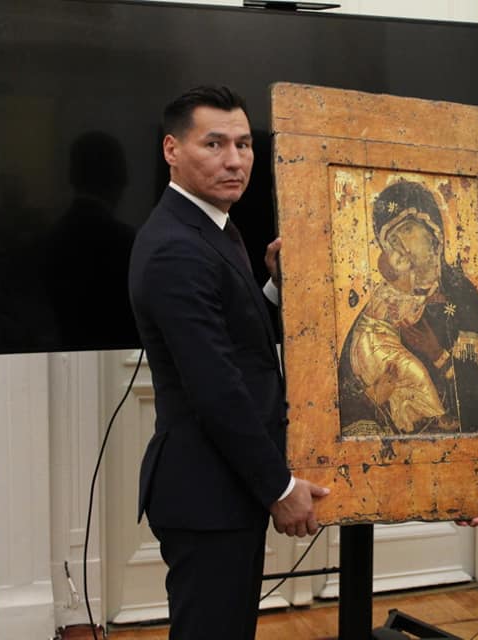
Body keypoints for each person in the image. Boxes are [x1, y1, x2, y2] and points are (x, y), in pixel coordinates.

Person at [128, 85, 330, 640]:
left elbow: (240, 341)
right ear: (172, 149)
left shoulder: (212, 225)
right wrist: (279, 488)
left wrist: (274, 287)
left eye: (244, 144)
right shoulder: (176, 245)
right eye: (214, 144)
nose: (235, 160)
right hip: (206, 491)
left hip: (223, 489)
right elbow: (216, 388)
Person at [337, 179, 478, 437]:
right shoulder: (381, 305)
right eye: (391, 239)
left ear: (433, 232)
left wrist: (437, 354)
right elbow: (347, 401)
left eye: (407, 229)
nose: (400, 244)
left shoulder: (462, 296)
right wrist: (376, 395)